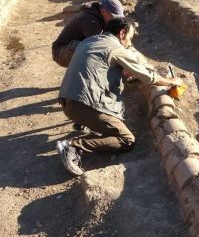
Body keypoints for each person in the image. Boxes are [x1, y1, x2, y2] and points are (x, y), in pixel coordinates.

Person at [55, 17, 183, 176]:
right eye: (129, 38)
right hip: (82, 104)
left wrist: (120, 69)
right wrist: (171, 82)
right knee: (127, 139)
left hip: (69, 100)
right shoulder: (116, 48)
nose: (130, 43)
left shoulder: (91, 40)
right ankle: (73, 146)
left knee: (115, 103)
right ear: (122, 33)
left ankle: (87, 124)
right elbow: (147, 77)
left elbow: (97, 64)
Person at [52, 0, 125, 67]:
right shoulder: (90, 21)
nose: (116, 21)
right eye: (113, 18)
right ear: (103, 12)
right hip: (60, 52)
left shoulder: (99, 17)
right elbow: (99, 46)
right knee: (92, 51)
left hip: (70, 48)